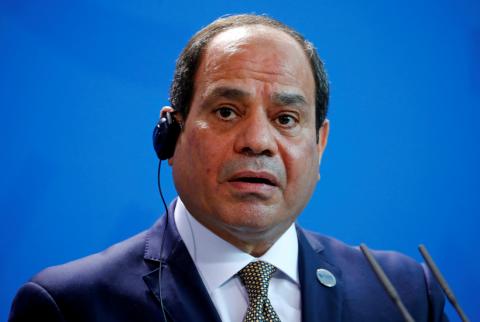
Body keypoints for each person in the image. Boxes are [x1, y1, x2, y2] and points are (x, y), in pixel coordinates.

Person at [9, 14, 447, 322]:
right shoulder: (72, 305)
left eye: (286, 119)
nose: (257, 141)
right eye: (225, 112)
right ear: (171, 132)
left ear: (320, 144)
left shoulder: (404, 293)